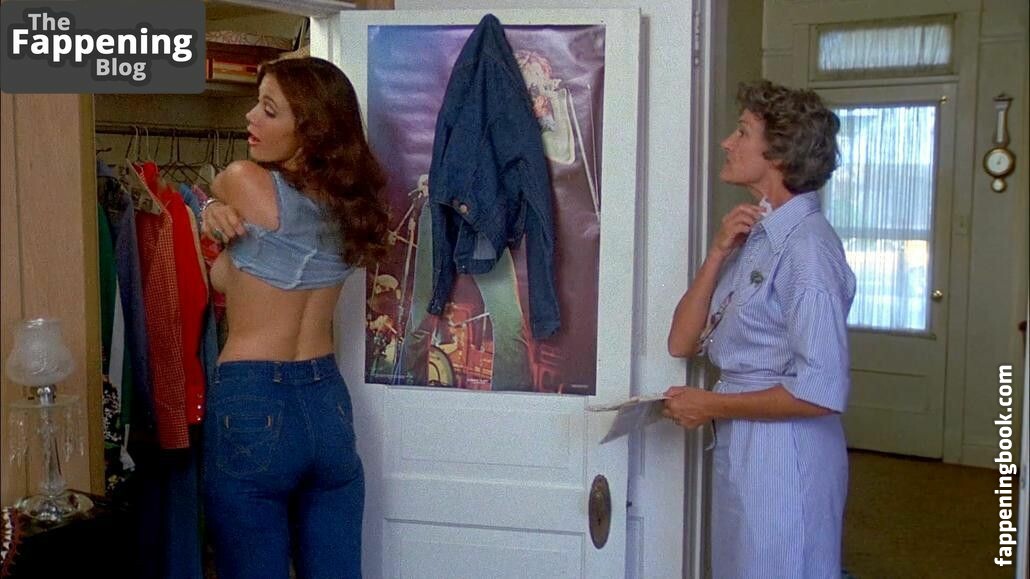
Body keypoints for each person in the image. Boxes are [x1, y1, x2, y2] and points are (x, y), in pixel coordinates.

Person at [198, 57, 388, 579]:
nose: (250, 117)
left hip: (253, 397)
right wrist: (216, 218)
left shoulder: (244, 180)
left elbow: (219, 270)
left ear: (311, 128)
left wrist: (209, 209)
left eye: (269, 109)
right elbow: (234, 273)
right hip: (327, 402)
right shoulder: (351, 206)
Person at [664, 79, 856, 578]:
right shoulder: (760, 237)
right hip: (748, 443)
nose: (727, 142)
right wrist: (716, 253)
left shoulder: (808, 251)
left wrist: (710, 405)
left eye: (743, 131)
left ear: (779, 153)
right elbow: (681, 341)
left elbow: (821, 391)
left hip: (786, 452)